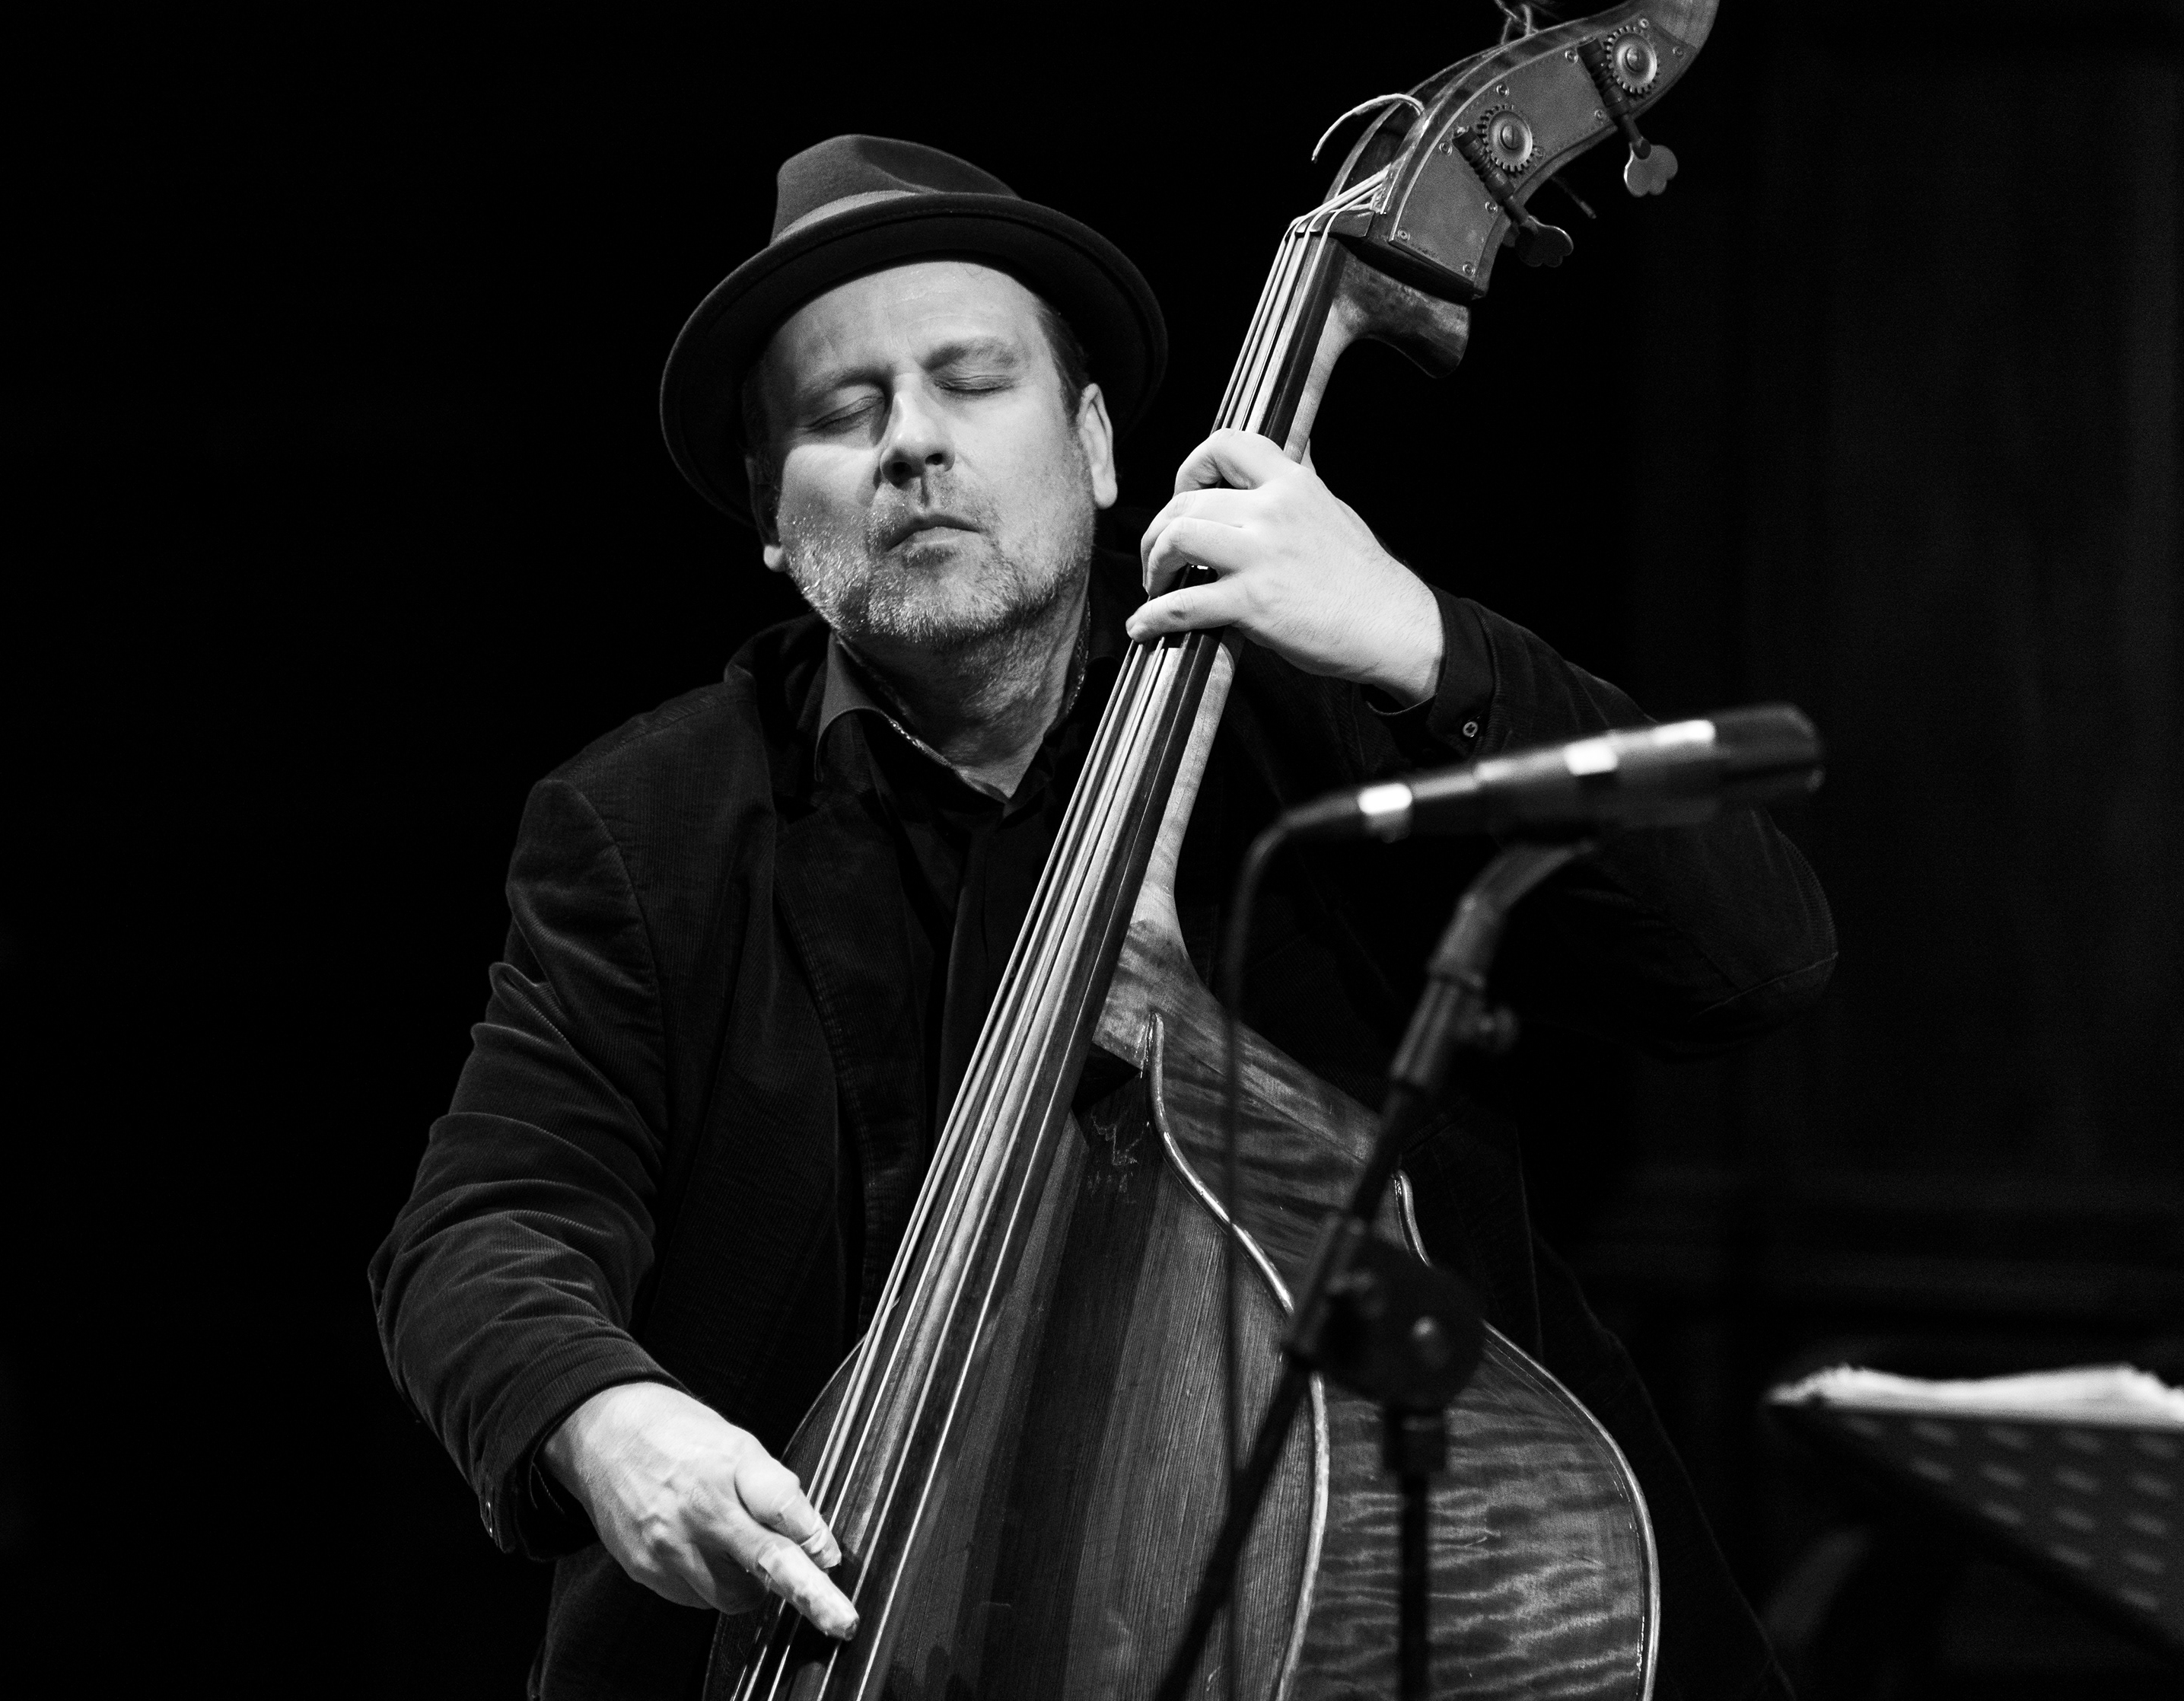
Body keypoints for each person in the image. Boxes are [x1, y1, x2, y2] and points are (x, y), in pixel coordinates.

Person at [371, 135, 1834, 1699]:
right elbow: (479, 1228)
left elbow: (1751, 958)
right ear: (768, 513)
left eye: (971, 379)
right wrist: (603, 1419)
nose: (913, 443)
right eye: (841, 412)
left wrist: (1424, 645)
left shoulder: (1328, 701)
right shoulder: (650, 825)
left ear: (1095, 443)